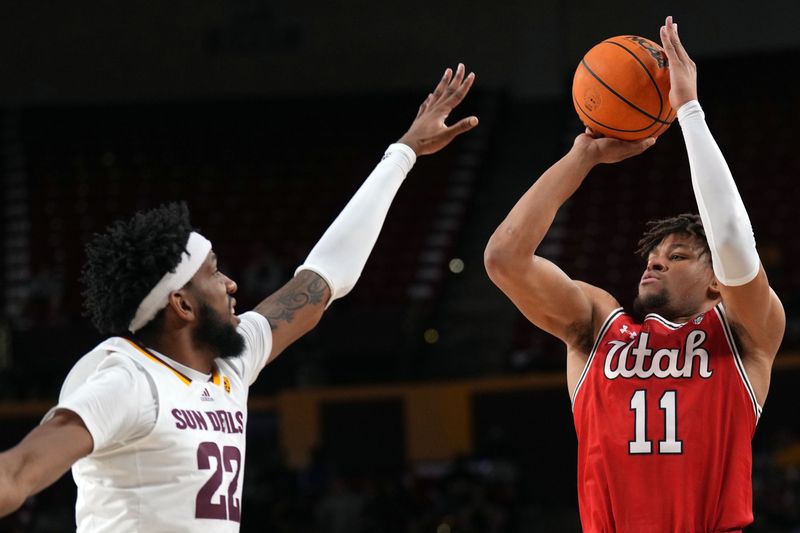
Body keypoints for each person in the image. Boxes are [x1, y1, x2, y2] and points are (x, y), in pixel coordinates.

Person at [0, 63, 478, 531]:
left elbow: (324, 277)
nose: (231, 284)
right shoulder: (128, 381)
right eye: (212, 274)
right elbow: (18, 474)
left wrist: (403, 152)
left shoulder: (231, 362)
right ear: (181, 305)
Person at [484, 17, 784, 533]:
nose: (656, 261)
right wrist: (582, 157)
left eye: (680, 255)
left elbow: (732, 239)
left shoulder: (745, 336)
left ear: (717, 283)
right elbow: (504, 260)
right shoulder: (597, 323)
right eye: (654, 254)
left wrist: (688, 109)